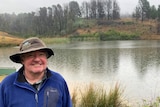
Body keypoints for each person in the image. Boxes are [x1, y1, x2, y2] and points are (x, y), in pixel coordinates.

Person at [0, 37, 72, 107]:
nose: (37, 59)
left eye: (41, 54)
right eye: (30, 55)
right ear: (22, 60)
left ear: (46, 58)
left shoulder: (58, 81)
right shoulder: (7, 85)